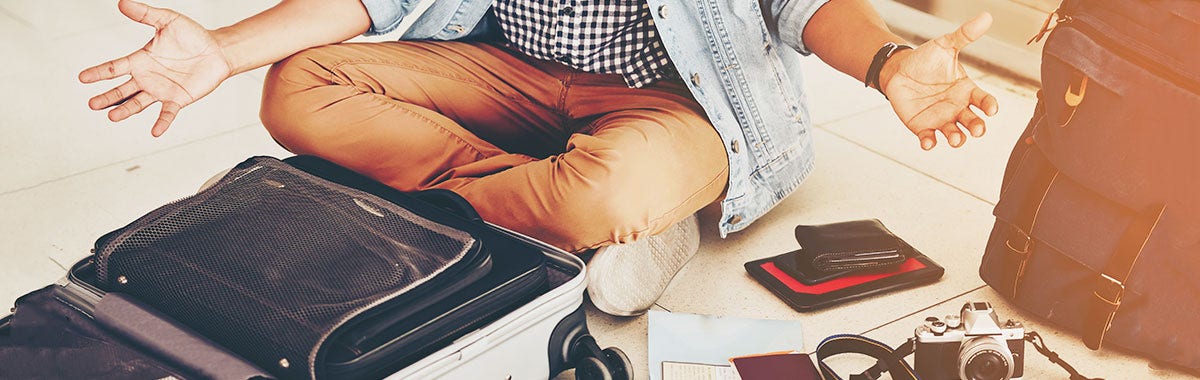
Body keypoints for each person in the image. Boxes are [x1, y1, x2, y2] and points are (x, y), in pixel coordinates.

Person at [80, 0, 999, 316]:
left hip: (673, 104)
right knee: (301, 87)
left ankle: (617, 200)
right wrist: (224, 50)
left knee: (616, 181)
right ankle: (563, 206)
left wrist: (886, 62)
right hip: (507, 78)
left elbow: (806, 4)